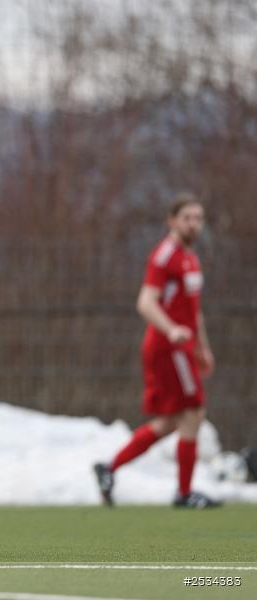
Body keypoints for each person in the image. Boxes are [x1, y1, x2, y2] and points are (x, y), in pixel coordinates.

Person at [94, 194, 219, 508]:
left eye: (198, 218)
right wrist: (172, 330)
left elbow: (194, 310)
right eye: (187, 217)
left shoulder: (191, 258)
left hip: (183, 348)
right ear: (172, 221)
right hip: (168, 347)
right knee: (194, 411)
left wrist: (203, 347)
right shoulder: (165, 256)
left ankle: (109, 468)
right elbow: (145, 302)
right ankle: (184, 492)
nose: (194, 224)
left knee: (170, 422)